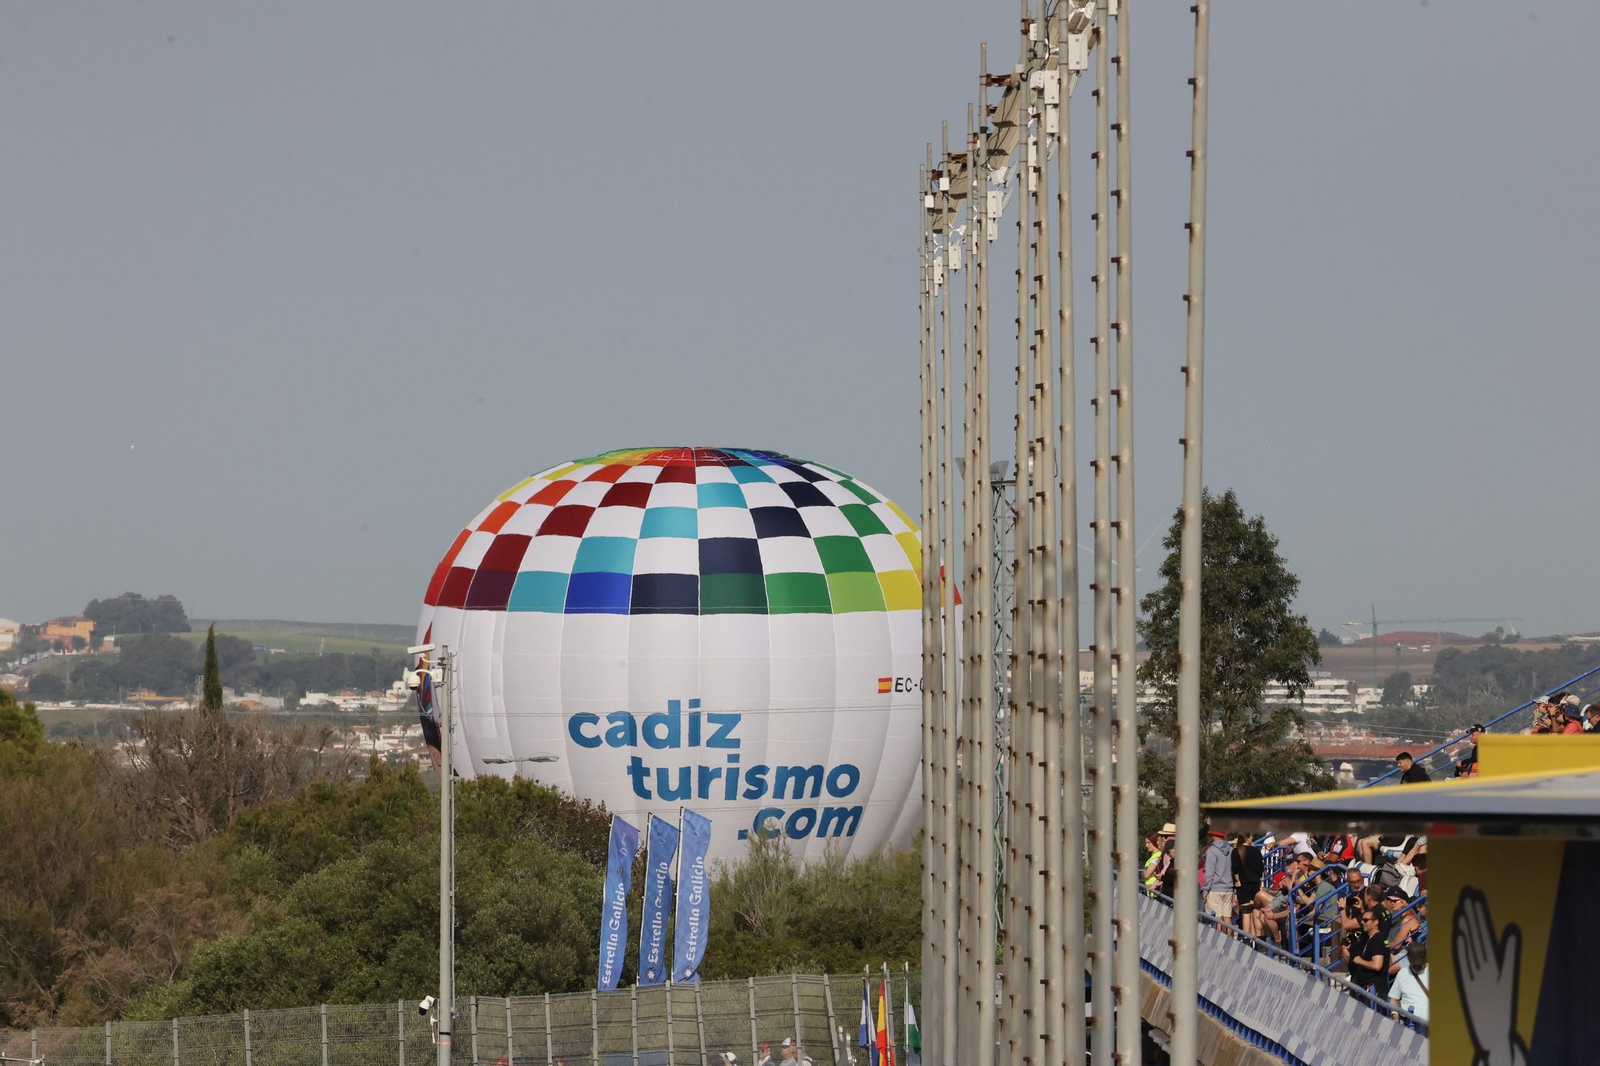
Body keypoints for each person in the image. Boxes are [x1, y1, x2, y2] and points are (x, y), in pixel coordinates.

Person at [1349, 910, 1392, 999]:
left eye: (1366, 920)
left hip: (1373, 989)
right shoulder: (1375, 938)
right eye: (1362, 920)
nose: (1362, 922)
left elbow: (1377, 965)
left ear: (1375, 922)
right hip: (1372, 986)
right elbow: (1390, 961)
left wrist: (1360, 961)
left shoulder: (1377, 940)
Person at [1232, 832, 1264, 935]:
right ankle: (1255, 938)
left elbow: (1235, 868)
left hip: (1243, 884)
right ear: (1248, 839)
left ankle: (1247, 938)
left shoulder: (1236, 851)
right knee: (1254, 911)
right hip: (1255, 882)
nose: (1253, 838)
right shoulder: (1256, 851)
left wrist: (1237, 881)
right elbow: (1261, 868)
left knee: (1246, 912)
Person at [1389, 942, 1430, 1022]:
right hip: (1408, 1023)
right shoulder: (1402, 973)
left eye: (1419, 963)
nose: (1417, 966)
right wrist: (1394, 1015)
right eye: (1414, 964)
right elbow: (1394, 999)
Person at [1202, 830, 1236, 925]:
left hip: (1215, 888)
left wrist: (1205, 889)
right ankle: (1228, 939)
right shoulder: (1231, 849)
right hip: (1228, 887)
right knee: (1227, 918)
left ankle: (1220, 939)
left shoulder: (1212, 850)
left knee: (1218, 919)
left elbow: (1209, 872)